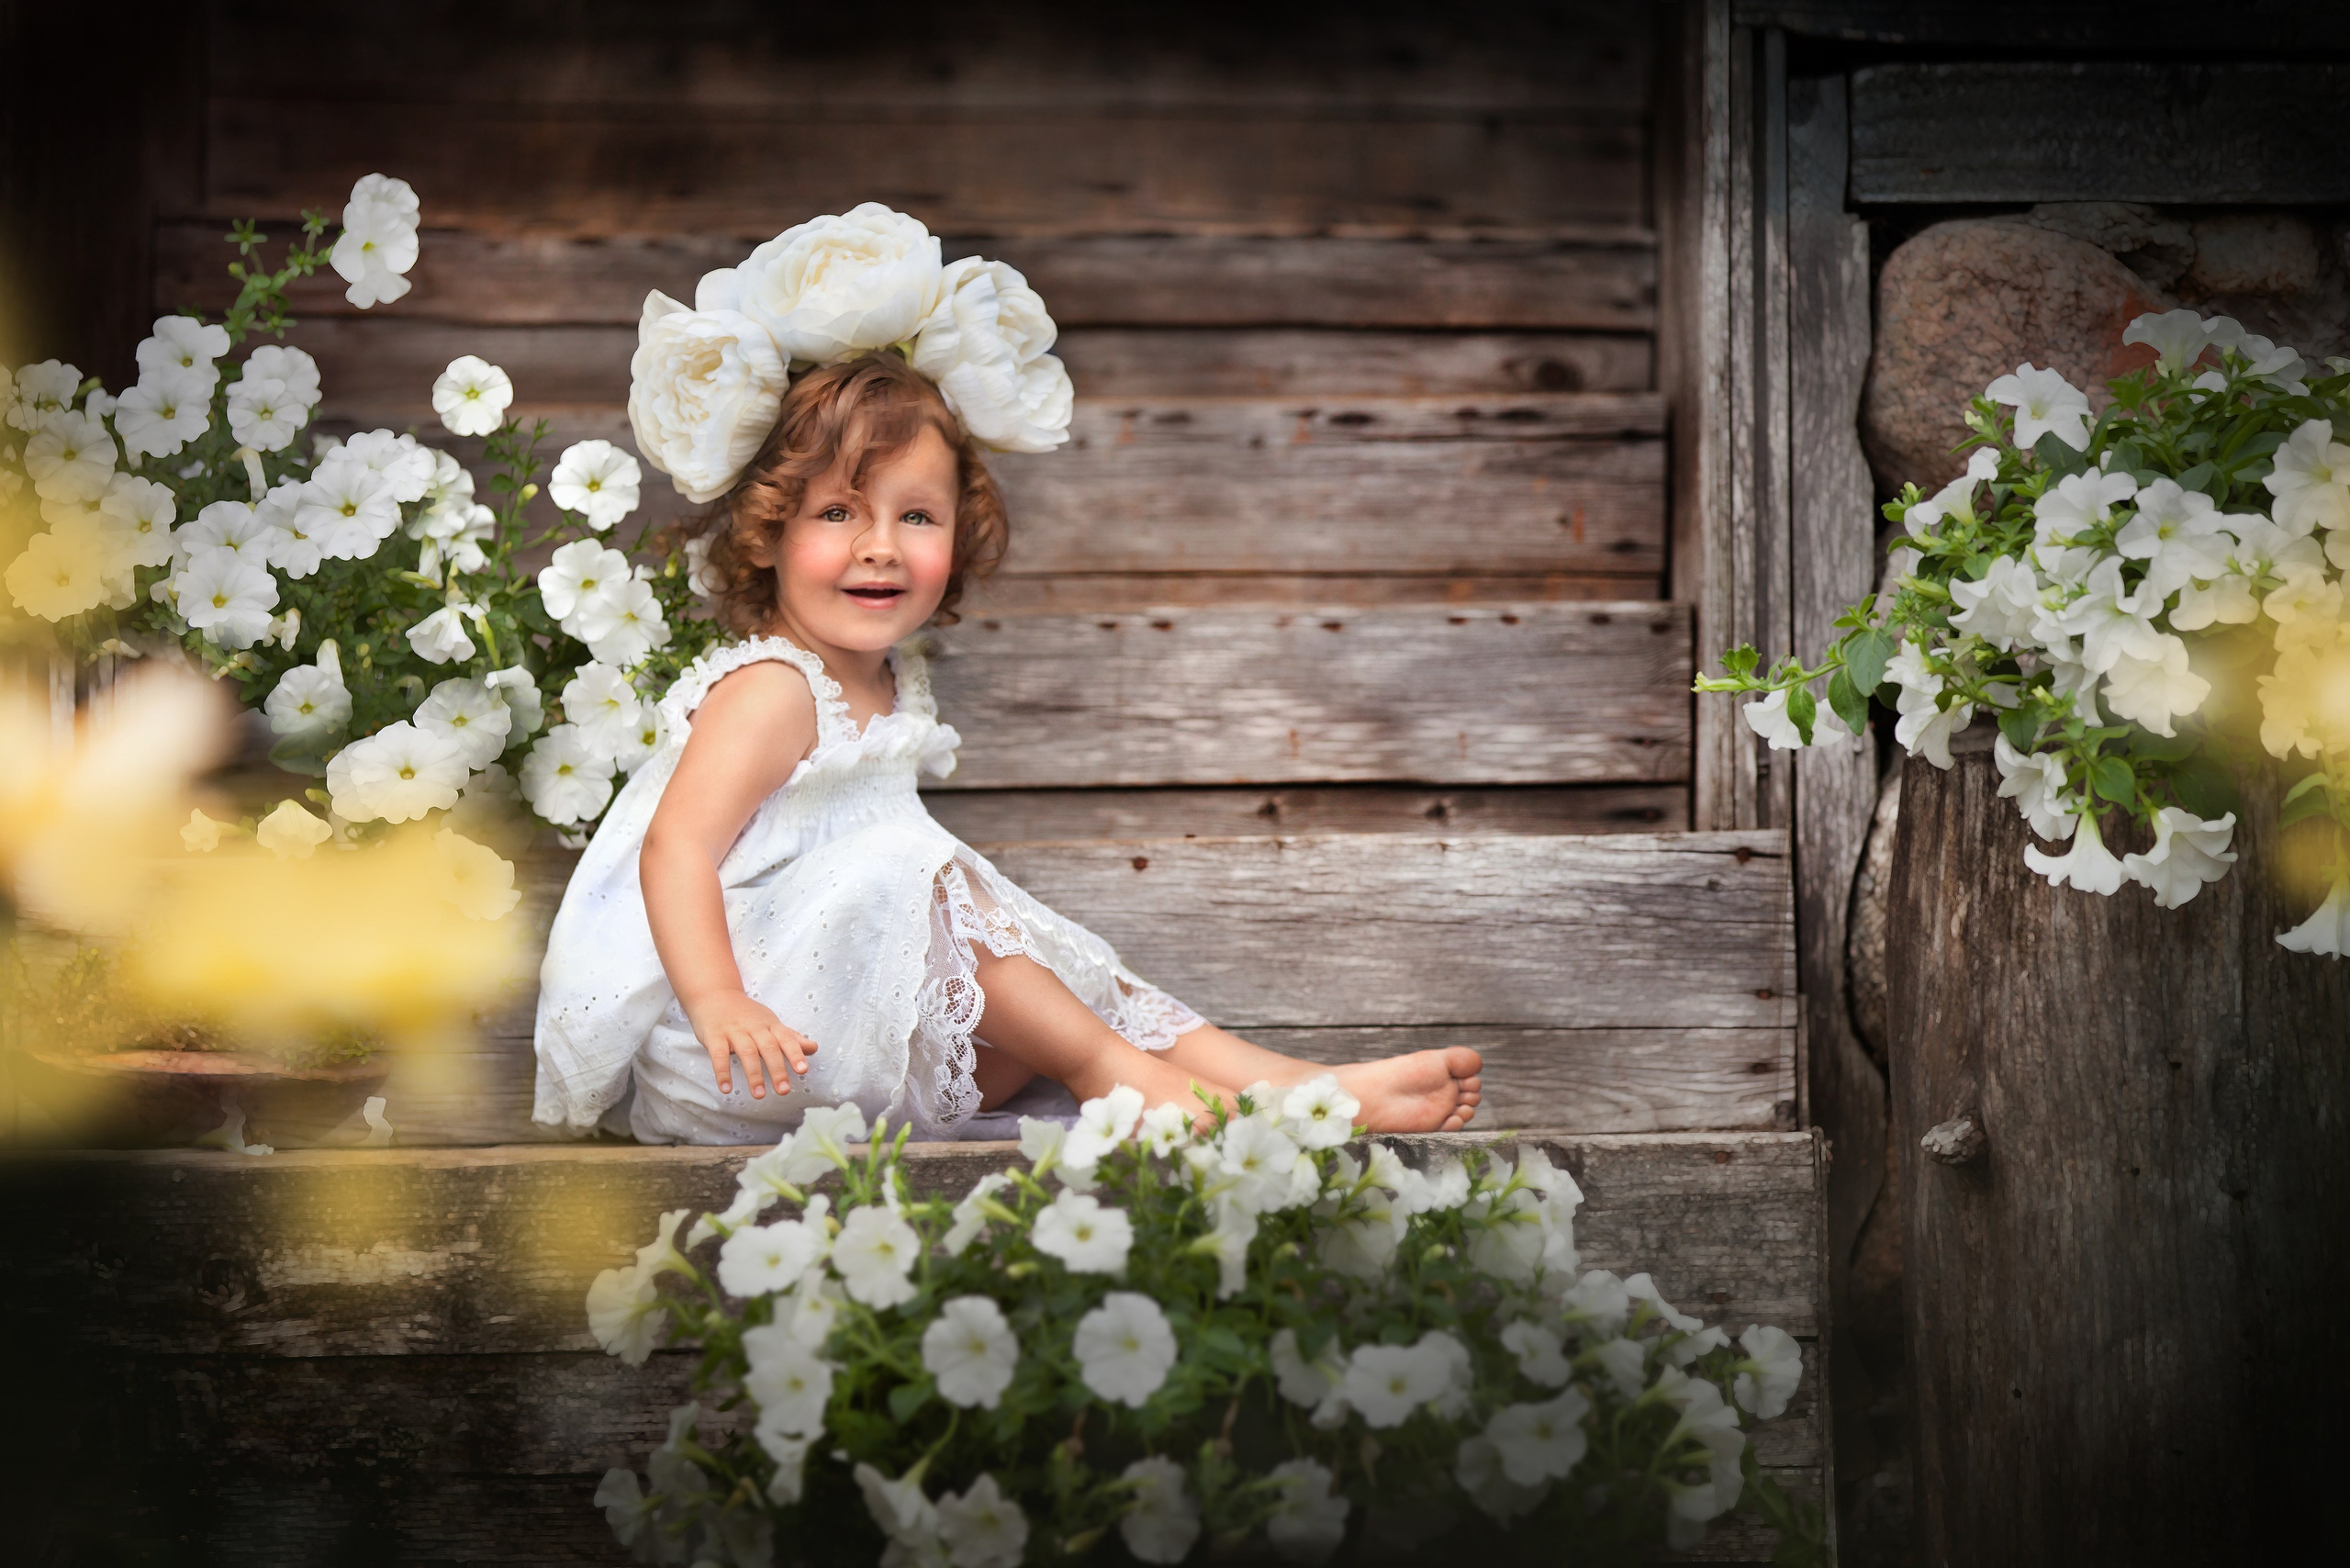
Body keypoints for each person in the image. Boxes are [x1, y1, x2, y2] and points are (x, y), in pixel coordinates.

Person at [533, 213, 1481, 1146]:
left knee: (1051, 956)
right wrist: (719, 999)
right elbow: (675, 851)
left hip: (835, 1038)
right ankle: (1137, 1081)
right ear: (768, 530)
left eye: (916, 517)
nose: (878, 547)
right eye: (836, 512)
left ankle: (1294, 1088)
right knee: (923, 875)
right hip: (738, 1049)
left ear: (959, 531)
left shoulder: (886, 683)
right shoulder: (773, 688)